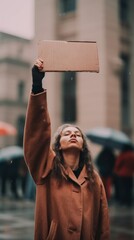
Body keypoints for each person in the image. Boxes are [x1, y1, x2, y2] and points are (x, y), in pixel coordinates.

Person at [24, 58, 110, 240]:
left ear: (83, 146)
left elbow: (103, 223)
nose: (73, 135)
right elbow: (37, 135)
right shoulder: (45, 169)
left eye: (77, 134)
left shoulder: (94, 178)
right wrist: (37, 85)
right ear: (58, 144)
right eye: (66, 133)